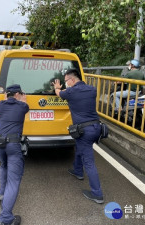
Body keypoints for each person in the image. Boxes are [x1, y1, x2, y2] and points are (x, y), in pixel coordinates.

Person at [52, 69, 104, 204]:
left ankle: (97, 194)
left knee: (89, 162)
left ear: (72, 80)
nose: (66, 84)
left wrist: (57, 87)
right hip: (97, 128)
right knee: (80, 147)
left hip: (84, 130)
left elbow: (59, 93)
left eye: (66, 81)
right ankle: (77, 170)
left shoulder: (71, 91)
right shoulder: (92, 89)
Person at [0, 84, 29, 225]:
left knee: (4, 165)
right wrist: (23, 99)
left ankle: (2, 194)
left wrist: (10, 96)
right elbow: (24, 105)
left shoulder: (0, 105)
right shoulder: (23, 107)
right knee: (13, 180)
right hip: (13, 145)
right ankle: (6, 218)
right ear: (17, 95)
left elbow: (4, 101)